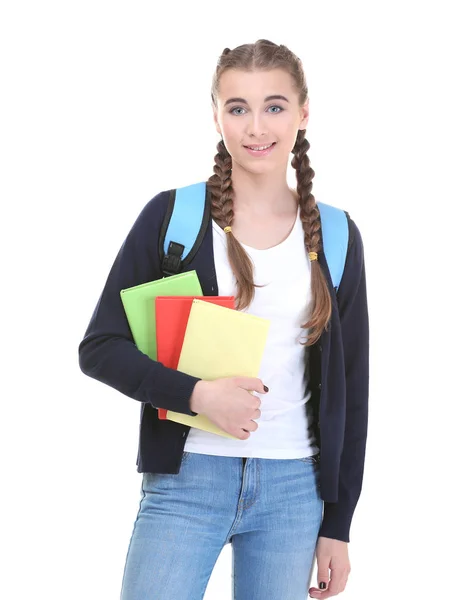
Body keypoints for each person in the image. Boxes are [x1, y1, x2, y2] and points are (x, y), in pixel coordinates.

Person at [78, 39, 369, 600]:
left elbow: (351, 389)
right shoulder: (174, 217)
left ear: (303, 113)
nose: (256, 126)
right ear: (216, 115)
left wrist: (338, 524)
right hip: (187, 480)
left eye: (274, 106)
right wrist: (198, 395)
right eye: (237, 107)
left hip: (295, 489)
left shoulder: (336, 235)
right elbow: (101, 346)